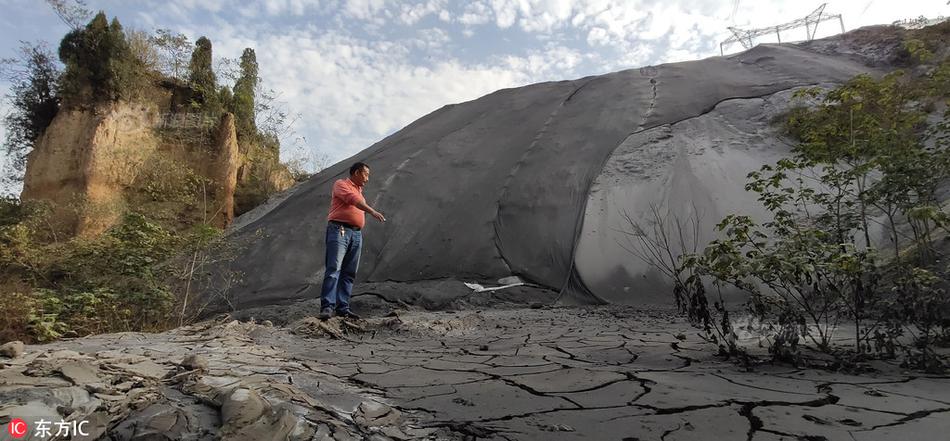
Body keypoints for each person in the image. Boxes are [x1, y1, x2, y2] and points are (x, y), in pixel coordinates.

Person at [319, 162, 385, 320]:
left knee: (349, 272)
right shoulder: (341, 184)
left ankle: (343, 307)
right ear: (356, 172)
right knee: (334, 268)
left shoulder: (360, 192)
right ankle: (327, 306)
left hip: (356, 234)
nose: (367, 179)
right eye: (365, 174)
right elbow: (352, 200)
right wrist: (372, 211)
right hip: (339, 230)